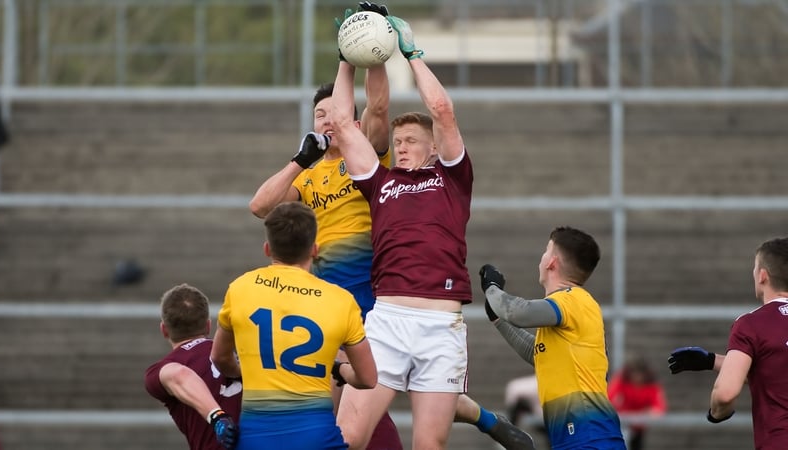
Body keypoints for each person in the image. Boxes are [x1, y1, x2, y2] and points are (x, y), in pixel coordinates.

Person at [328, 10, 535, 450]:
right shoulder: (380, 183)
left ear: (433, 147)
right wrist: (346, 56)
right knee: (347, 439)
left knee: (429, 446)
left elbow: (440, 109)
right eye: (397, 142)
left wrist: (412, 54)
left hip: (441, 326)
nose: (400, 147)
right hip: (386, 321)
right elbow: (344, 126)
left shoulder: (451, 177)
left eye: (409, 141)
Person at [247, 4, 401, 447]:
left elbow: (380, 105)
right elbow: (260, 206)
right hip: (327, 298)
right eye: (319, 115)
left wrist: (362, 52)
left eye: (334, 112)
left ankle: (475, 413)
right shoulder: (308, 175)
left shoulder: (369, 156)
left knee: (370, 400)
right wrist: (300, 159)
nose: (327, 119)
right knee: (336, 411)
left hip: (376, 296)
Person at [210, 201, 378, 449]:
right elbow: (368, 378)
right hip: (318, 439)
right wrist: (338, 370)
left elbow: (220, 358)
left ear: (267, 249)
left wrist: (249, 370)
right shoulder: (341, 300)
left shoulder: (241, 288)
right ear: (314, 249)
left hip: (256, 439)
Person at [479, 226, 627, 449]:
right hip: (577, 438)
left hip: (589, 437)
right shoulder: (571, 308)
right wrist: (499, 322)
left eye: (546, 251)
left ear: (552, 263)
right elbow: (537, 353)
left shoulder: (573, 300)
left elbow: (520, 312)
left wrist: (492, 288)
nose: (542, 257)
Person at [668, 236, 788, 450]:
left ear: (762, 276)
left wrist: (717, 413)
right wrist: (712, 361)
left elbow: (725, 394)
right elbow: (774, 370)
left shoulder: (752, 324)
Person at [144, 283, 241, 450]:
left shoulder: (161, 370)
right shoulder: (240, 352)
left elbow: (180, 375)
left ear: (164, 330)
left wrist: (217, 417)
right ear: (208, 325)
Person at [607, 355, 667, 450]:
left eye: (640, 375)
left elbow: (659, 407)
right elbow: (610, 396)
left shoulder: (652, 386)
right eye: (634, 374)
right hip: (622, 421)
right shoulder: (621, 380)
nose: (637, 378)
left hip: (639, 424)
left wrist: (652, 412)